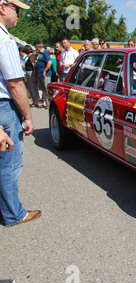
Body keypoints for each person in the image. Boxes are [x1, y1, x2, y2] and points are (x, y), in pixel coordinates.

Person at [0, 0, 42, 227]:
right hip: (4, 107)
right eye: (16, 9)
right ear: (2, 7)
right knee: (10, 163)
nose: (18, 15)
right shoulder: (4, 40)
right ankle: (13, 214)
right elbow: (15, 84)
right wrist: (28, 116)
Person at [33, 40, 52, 108]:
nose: (36, 48)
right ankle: (45, 102)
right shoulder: (39, 53)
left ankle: (48, 103)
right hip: (39, 74)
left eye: (36, 47)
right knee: (43, 89)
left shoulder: (44, 53)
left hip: (45, 74)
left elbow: (49, 62)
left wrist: (45, 70)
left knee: (46, 89)